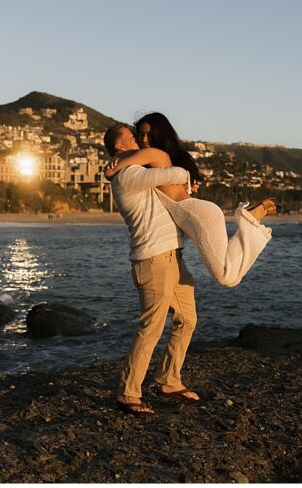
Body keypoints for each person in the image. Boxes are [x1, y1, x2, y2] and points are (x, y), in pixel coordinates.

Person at [105, 112, 275, 288]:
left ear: (159, 134)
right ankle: (250, 220)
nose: (143, 139)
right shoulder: (158, 158)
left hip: (197, 214)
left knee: (226, 277)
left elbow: (115, 169)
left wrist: (111, 167)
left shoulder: (150, 153)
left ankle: (250, 219)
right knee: (229, 277)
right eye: (140, 134)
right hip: (192, 212)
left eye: (149, 134)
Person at [103, 123, 200, 414]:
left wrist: (186, 187)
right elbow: (176, 173)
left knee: (188, 319)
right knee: (151, 328)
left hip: (173, 256)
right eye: (131, 135)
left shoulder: (137, 172)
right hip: (153, 259)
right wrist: (184, 177)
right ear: (119, 146)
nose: (137, 137)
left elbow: (174, 187)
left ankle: (169, 379)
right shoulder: (128, 175)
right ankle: (128, 392)